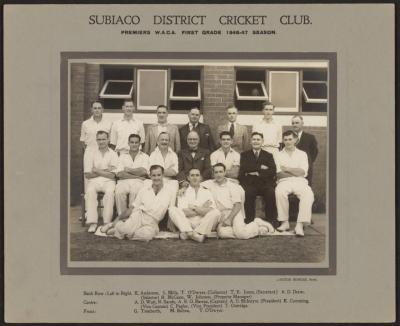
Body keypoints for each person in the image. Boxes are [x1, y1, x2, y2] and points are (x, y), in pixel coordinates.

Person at [101, 165, 174, 241]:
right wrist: (116, 220)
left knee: (145, 236)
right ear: (150, 176)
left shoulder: (169, 191)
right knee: (126, 229)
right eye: (154, 175)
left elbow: (171, 210)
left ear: (163, 175)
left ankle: (121, 231)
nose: (156, 178)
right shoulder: (144, 190)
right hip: (139, 215)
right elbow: (132, 208)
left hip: (153, 222)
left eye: (159, 175)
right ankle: (117, 226)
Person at [203, 163, 275, 240]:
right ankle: (256, 230)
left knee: (242, 235)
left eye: (220, 172)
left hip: (234, 212)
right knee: (223, 234)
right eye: (216, 172)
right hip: (222, 215)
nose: (218, 174)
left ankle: (257, 224)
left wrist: (229, 219)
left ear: (224, 173)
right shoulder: (210, 183)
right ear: (213, 174)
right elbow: (197, 184)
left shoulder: (232, 186)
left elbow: (237, 205)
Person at [275, 130, 315, 236]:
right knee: (279, 192)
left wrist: (287, 169)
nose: (288, 142)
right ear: (283, 141)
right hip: (284, 181)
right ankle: (284, 222)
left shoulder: (302, 154)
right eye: (285, 140)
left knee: (308, 194)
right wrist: (295, 171)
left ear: (296, 140)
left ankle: (300, 225)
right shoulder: (278, 155)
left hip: (300, 181)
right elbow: (279, 174)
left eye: (290, 139)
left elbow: (303, 172)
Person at [168, 168, 221, 242]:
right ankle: (193, 233)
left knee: (216, 212)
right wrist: (203, 208)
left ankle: (191, 234)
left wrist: (194, 208)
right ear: (188, 178)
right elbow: (184, 212)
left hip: (203, 221)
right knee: (172, 209)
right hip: (187, 222)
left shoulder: (207, 191)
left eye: (197, 175)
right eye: (192, 175)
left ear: (201, 178)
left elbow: (211, 210)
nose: (195, 177)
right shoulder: (183, 192)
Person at [239, 132, 278, 226]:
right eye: (254, 139)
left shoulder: (268, 155)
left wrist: (256, 172)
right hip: (250, 183)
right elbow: (244, 168)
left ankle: (271, 219)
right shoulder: (244, 155)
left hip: (265, 183)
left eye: (258, 139)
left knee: (271, 192)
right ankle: (249, 220)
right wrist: (260, 167)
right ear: (250, 141)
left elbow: (272, 171)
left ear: (262, 141)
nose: (256, 141)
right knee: (248, 193)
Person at [83, 130, 118, 233]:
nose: (101, 142)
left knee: (110, 193)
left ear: (108, 140)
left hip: (109, 181)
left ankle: (107, 223)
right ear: (96, 140)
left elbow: (113, 175)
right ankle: (93, 223)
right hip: (94, 181)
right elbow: (87, 174)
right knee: (90, 192)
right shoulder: (90, 153)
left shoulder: (114, 154)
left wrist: (97, 170)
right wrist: (106, 170)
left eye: (103, 139)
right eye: (99, 139)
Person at [115, 134, 149, 215]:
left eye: (136, 142)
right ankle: (122, 217)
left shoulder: (145, 156)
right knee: (119, 192)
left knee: (135, 191)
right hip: (124, 181)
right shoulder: (122, 156)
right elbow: (120, 174)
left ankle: (133, 217)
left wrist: (128, 170)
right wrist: (137, 175)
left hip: (138, 182)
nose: (134, 144)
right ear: (128, 143)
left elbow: (144, 171)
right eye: (132, 142)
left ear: (139, 144)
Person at [148, 132, 179, 206]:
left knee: (173, 190)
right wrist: (167, 171)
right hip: (155, 180)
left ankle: (170, 213)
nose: (164, 141)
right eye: (162, 139)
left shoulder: (173, 155)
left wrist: (157, 172)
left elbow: (175, 172)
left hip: (170, 180)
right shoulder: (153, 154)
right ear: (158, 142)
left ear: (169, 142)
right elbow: (149, 172)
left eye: (166, 140)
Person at [291, 115, 319, 186]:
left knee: (306, 188)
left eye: (297, 123)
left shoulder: (310, 137)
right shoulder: (288, 137)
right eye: (293, 123)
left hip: (306, 168)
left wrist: (308, 161)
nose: (295, 125)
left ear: (302, 123)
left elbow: (314, 152)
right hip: (292, 167)